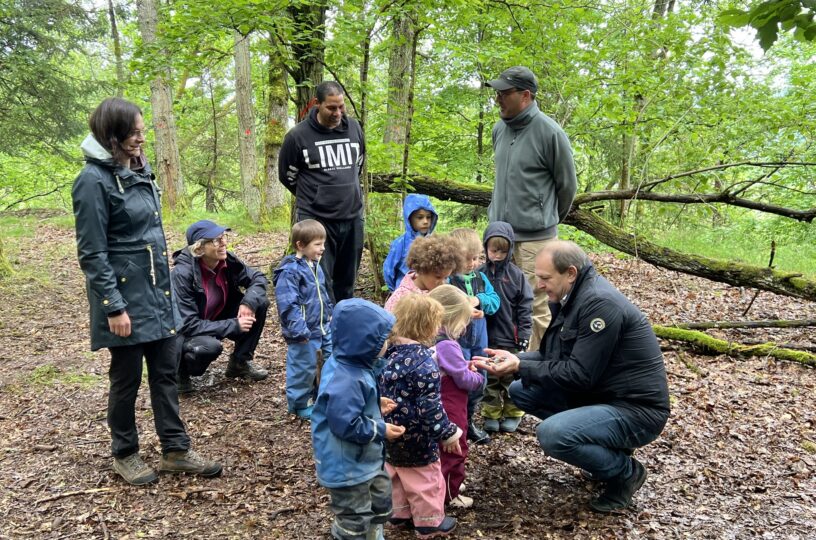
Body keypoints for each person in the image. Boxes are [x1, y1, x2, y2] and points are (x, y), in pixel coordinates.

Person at [72, 97, 221, 485]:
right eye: (135, 132)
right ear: (113, 135)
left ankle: (175, 449)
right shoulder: (92, 181)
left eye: (142, 131)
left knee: (166, 373)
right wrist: (113, 306)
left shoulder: (140, 168)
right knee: (126, 380)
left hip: (159, 295)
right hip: (126, 300)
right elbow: (92, 253)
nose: (142, 138)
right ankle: (125, 453)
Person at [474, 241, 670, 512]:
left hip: (636, 410)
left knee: (553, 434)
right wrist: (515, 359)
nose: (539, 285)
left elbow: (579, 374)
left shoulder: (598, 304)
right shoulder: (570, 297)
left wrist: (519, 366)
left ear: (571, 273)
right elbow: (552, 356)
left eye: (545, 278)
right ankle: (606, 451)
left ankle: (625, 472)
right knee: (522, 391)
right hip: (602, 396)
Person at [486, 66, 578, 352]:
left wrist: (545, 219)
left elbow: (567, 186)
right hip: (500, 237)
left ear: (525, 95)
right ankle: (499, 372)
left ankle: (531, 372)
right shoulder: (499, 129)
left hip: (535, 239)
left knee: (536, 305)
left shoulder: (550, 133)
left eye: (504, 93)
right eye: (497, 92)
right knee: (498, 300)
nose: (498, 98)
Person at [311, 298, 405, 540]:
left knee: (380, 501)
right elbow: (345, 423)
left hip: (364, 460)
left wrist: (374, 405)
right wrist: (380, 429)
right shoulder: (347, 379)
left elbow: (352, 407)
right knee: (354, 517)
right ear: (364, 342)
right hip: (346, 466)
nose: (388, 344)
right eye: (382, 339)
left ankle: (374, 534)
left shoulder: (355, 365)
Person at [380, 294, 462, 537]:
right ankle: (429, 521)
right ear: (427, 326)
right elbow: (430, 407)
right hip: (418, 436)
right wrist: (448, 433)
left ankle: (400, 513)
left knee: (396, 471)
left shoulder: (388, 355)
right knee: (424, 477)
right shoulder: (424, 362)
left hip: (390, 429)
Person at [279, 80, 365, 304]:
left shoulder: (354, 128)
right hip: (317, 220)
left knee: (347, 281)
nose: (338, 113)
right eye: (331, 108)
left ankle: (343, 324)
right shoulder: (297, 136)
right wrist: (316, 196)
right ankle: (322, 328)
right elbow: (287, 176)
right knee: (319, 280)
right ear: (317, 104)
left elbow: (359, 165)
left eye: (341, 106)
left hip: (352, 217)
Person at [172, 220, 269, 393]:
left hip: (214, 317)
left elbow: (258, 278)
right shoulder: (182, 274)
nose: (224, 243)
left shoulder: (227, 260)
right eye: (216, 240)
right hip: (185, 333)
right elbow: (187, 324)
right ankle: (181, 372)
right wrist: (234, 325)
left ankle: (240, 363)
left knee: (259, 303)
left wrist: (249, 302)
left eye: (223, 237)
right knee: (209, 347)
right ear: (199, 248)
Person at [428, 285, 485, 509]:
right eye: (463, 321)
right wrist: (478, 377)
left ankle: (445, 484)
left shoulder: (432, 341)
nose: (464, 327)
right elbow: (462, 379)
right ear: (450, 318)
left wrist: (464, 366)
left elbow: (454, 369)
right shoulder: (448, 345)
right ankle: (450, 493)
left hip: (440, 405)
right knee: (455, 447)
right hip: (451, 407)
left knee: (442, 449)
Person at [272, 219, 334, 419]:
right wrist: (300, 330)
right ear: (300, 245)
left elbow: (323, 294)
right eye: (317, 244)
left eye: (323, 243)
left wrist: (330, 313)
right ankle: (299, 403)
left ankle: (321, 397)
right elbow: (287, 305)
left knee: (328, 361)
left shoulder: (315, 266)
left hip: (323, 327)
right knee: (303, 368)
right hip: (303, 332)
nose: (322, 248)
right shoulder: (289, 271)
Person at [447, 228, 500, 446]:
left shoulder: (480, 278)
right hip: (457, 341)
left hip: (480, 340)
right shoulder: (449, 280)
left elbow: (495, 301)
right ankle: (455, 424)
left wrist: (478, 301)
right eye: (467, 259)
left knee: (480, 379)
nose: (472, 263)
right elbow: (443, 306)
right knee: (459, 380)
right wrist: (463, 309)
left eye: (476, 258)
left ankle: (469, 423)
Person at [479, 221, 533, 434]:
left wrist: (525, 334)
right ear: (486, 249)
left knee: (511, 377)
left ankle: (513, 412)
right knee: (490, 378)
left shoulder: (516, 276)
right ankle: (490, 413)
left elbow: (525, 307)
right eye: (494, 250)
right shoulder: (479, 274)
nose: (498, 255)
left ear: (510, 249)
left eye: (503, 251)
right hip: (487, 336)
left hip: (511, 336)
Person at [383, 235, 463, 312]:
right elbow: (389, 324)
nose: (442, 283)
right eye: (438, 277)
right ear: (421, 270)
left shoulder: (440, 291)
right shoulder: (401, 299)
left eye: (446, 278)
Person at [383, 194, 438, 292]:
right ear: (409, 219)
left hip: (428, 292)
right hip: (404, 291)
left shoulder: (433, 242)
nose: (425, 221)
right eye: (420, 217)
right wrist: (394, 290)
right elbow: (389, 270)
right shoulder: (400, 243)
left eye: (428, 217)